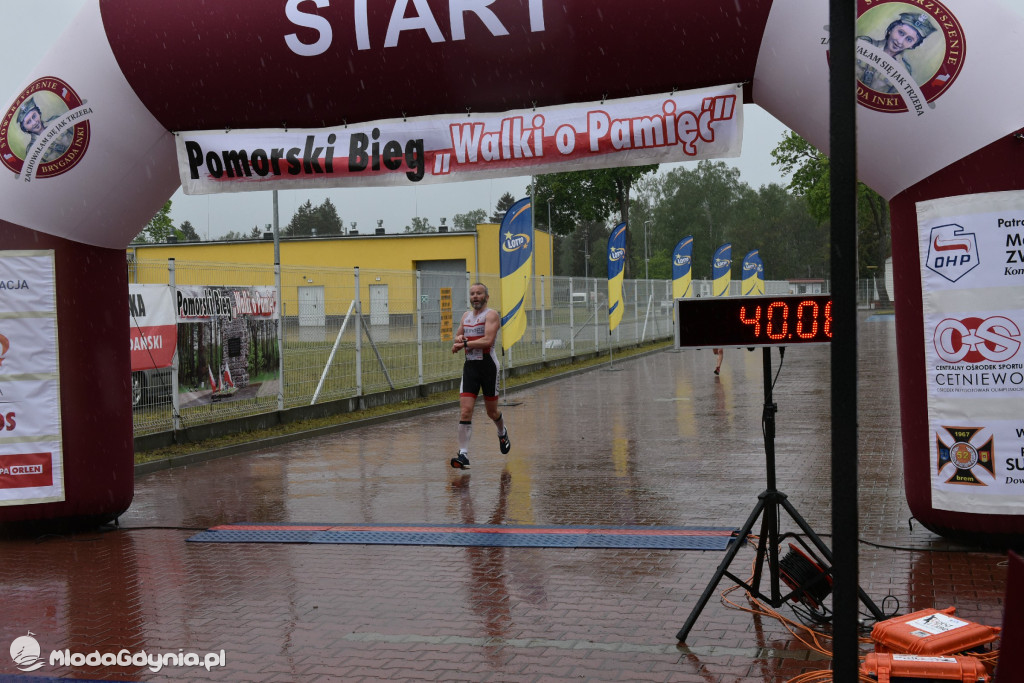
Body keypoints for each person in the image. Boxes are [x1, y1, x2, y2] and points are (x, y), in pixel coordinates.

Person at [450, 282, 510, 469]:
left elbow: (488, 341)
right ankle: (463, 454)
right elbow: (458, 336)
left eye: (479, 293)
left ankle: (502, 432)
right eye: (472, 294)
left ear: (486, 297)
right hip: (471, 368)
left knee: (491, 412)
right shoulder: (466, 316)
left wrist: (465, 343)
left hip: (488, 367)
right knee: (466, 410)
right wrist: (458, 340)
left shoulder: (491, 315)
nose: (475, 296)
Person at [855, 12, 937, 94]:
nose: (900, 41)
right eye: (901, 33)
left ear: (913, 45)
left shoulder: (903, 72)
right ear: (890, 29)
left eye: (909, 39)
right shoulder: (863, 43)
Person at [15, 97, 73, 163]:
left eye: (34, 116)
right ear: (25, 129)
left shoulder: (56, 120)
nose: (34, 123)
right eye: (28, 122)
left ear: (39, 113)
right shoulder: (32, 150)